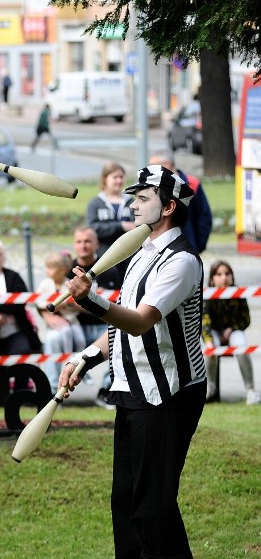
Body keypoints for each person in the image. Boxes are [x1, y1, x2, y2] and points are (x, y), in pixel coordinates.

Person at [59, 165, 206, 558]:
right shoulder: (140, 253)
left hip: (167, 394)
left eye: (143, 199)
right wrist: (86, 357)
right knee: (126, 502)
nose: (134, 205)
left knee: (152, 508)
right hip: (131, 389)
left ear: (169, 206)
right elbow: (120, 325)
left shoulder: (181, 262)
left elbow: (140, 322)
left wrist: (90, 300)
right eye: (134, 198)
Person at [68, 225, 122, 409]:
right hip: (75, 326)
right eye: (79, 241)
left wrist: (79, 303)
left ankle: (106, 390)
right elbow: (53, 302)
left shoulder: (109, 269)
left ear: (97, 244)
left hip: (103, 326)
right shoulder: (68, 270)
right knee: (54, 338)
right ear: (74, 245)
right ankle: (54, 390)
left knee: (118, 340)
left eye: (87, 241)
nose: (83, 246)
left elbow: (114, 304)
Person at [201, 260, 260, 405]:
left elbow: (245, 319)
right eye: (219, 274)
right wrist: (209, 343)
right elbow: (204, 321)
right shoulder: (207, 294)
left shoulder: (238, 293)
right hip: (212, 332)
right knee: (210, 350)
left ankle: (251, 390)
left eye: (227, 274)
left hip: (233, 331)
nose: (224, 277)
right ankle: (210, 388)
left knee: (241, 345)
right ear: (212, 277)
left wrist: (231, 329)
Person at [35, 251, 85, 393]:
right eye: (47, 267)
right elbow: (38, 301)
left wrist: (68, 304)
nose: (47, 271)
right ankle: (53, 384)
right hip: (56, 325)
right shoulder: (45, 283)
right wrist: (50, 306)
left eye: (51, 268)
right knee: (62, 333)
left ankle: (77, 366)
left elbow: (75, 303)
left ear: (63, 270)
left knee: (80, 340)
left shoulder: (68, 284)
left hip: (70, 320)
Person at [149, 150, 212, 254]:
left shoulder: (192, 184)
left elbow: (204, 217)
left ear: (167, 164)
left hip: (188, 246)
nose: (150, 169)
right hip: (159, 247)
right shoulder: (152, 186)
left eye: (153, 165)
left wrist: (197, 246)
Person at [86, 162, 135, 277]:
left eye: (121, 177)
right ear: (105, 179)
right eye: (115, 177)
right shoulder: (95, 203)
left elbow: (138, 226)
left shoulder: (131, 202)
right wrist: (121, 226)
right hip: (104, 257)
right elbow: (93, 229)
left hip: (128, 255)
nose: (119, 180)